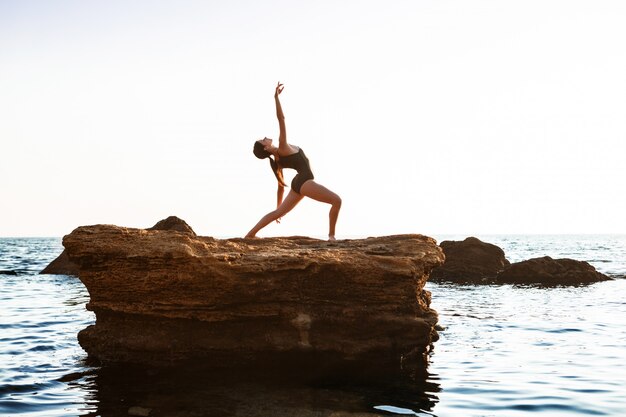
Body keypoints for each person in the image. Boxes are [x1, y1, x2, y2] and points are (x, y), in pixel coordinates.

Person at [246, 82, 342, 240]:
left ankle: (250, 235)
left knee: (277, 213)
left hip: (298, 183)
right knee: (336, 201)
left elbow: (280, 188)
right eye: (263, 140)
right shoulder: (282, 148)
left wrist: (279, 209)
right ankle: (331, 237)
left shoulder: (277, 159)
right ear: (265, 148)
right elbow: (281, 119)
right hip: (304, 181)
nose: (265, 138)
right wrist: (276, 98)